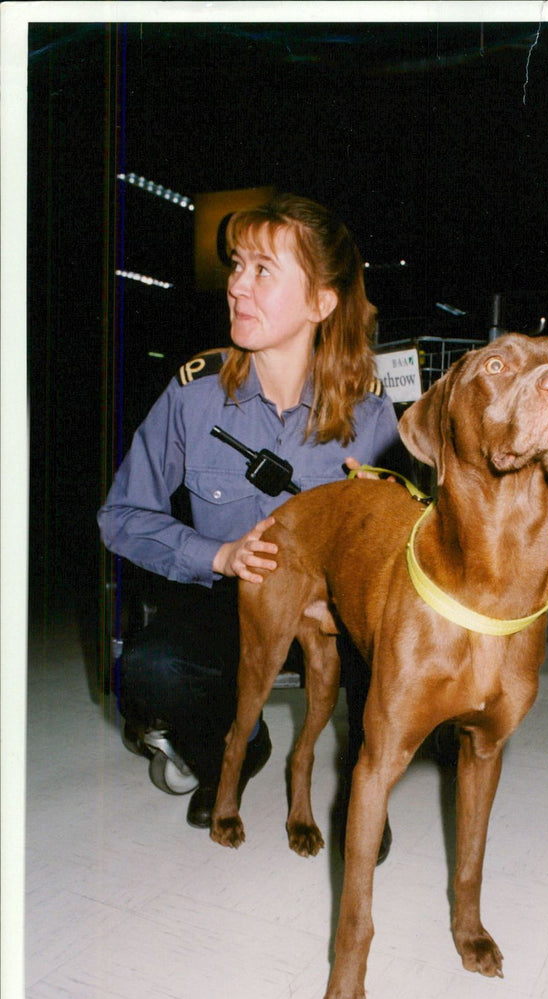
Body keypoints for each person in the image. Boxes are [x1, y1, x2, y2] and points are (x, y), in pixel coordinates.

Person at [98, 192, 402, 858]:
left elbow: (395, 545)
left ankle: (361, 785)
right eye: (237, 265)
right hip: (235, 604)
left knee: (396, 656)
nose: (237, 284)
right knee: (147, 667)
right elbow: (120, 517)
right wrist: (217, 554)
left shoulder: (371, 413)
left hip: (333, 613)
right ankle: (236, 747)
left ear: (321, 302)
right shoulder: (194, 392)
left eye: (263, 270)